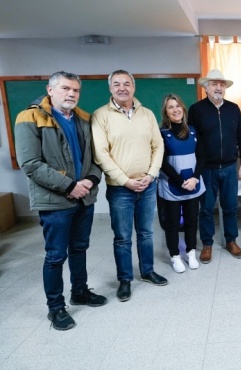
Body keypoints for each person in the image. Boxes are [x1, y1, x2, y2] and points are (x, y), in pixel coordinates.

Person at [14, 71, 107, 330]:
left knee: (79, 248)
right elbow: (30, 164)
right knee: (55, 256)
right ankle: (55, 307)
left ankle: (80, 291)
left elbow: (95, 159)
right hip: (55, 202)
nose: (71, 94)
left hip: (84, 198)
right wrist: (69, 186)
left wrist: (90, 180)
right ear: (50, 89)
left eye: (76, 90)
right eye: (65, 88)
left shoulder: (84, 119)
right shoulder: (30, 117)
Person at [91, 69, 167, 302]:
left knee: (146, 232)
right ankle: (125, 280)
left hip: (147, 185)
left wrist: (152, 174)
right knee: (122, 237)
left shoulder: (147, 114)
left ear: (134, 87)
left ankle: (147, 271)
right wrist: (126, 181)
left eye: (127, 83)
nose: (122, 87)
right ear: (110, 88)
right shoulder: (100, 115)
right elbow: (100, 153)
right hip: (120, 188)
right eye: (117, 84)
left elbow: (158, 146)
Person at [188, 69, 241, 263]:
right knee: (206, 209)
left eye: (222, 84)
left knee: (230, 207)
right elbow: (192, 140)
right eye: (214, 84)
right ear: (206, 87)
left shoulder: (234, 108)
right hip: (206, 169)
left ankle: (231, 240)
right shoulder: (196, 110)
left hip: (230, 167)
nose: (218, 87)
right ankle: (207, 244)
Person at [157, 93, 206, 273]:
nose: (175, 110)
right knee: (172, 223)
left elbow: (202, 157)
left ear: (183, 109)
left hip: (193, 184)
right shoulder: (161, 133)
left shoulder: (193, 131)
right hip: (172, 185)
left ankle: (191, 252)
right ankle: (175, 255)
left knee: (192, 220)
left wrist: (194, 178)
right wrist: (181, 181)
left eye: (177, 106)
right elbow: (162, 162)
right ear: (166, 112)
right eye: (171, 107)